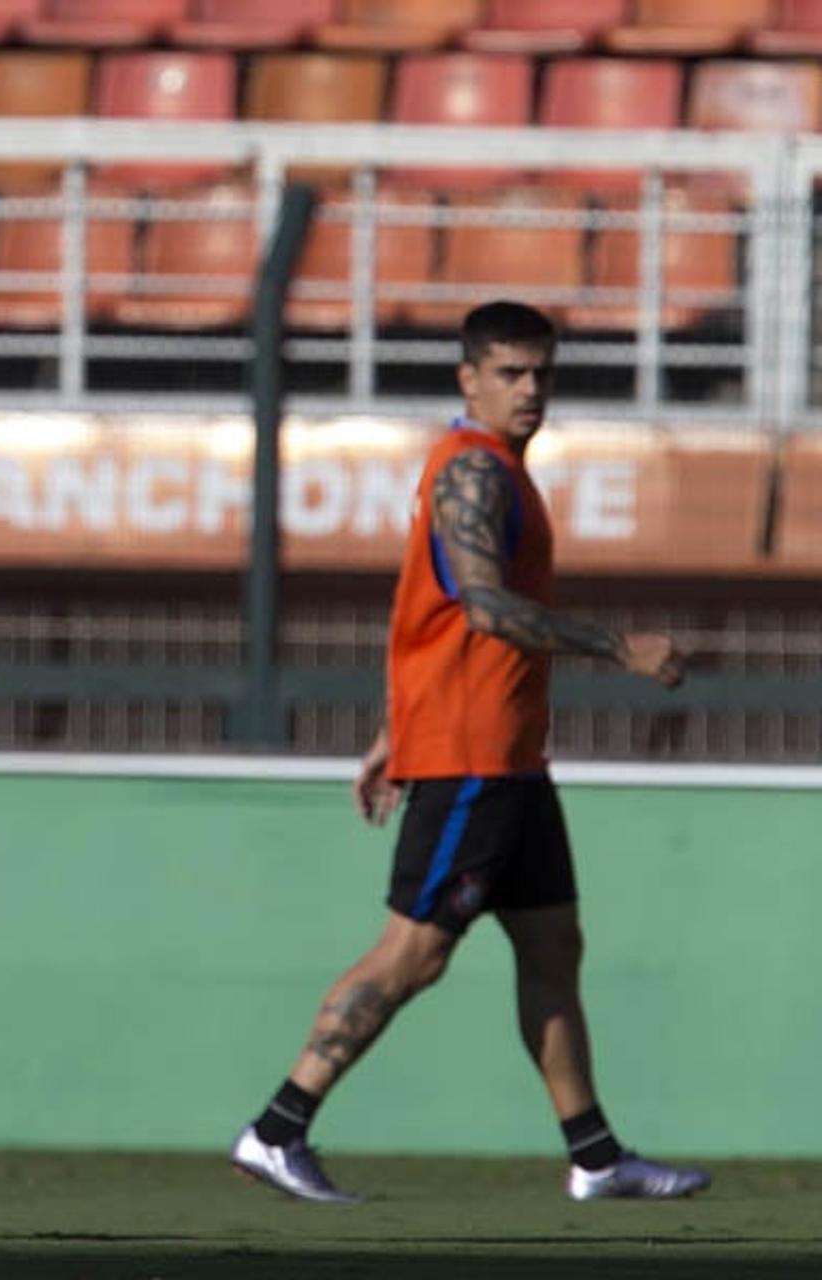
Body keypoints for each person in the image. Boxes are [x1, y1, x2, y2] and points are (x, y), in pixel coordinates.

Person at [230, 302, 710, 1203]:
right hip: (474, 755)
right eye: (509, 373)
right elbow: (483, 608)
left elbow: (435, 621)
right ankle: (277, 1128)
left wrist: (391, 730)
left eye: (541, 373)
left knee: (552, 946)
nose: (530, 390)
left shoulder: (504, 474)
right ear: (468, 378)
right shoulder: (472, 475)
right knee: (412, 953)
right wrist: (620, 648)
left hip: (511, 758)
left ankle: (596, 1156)